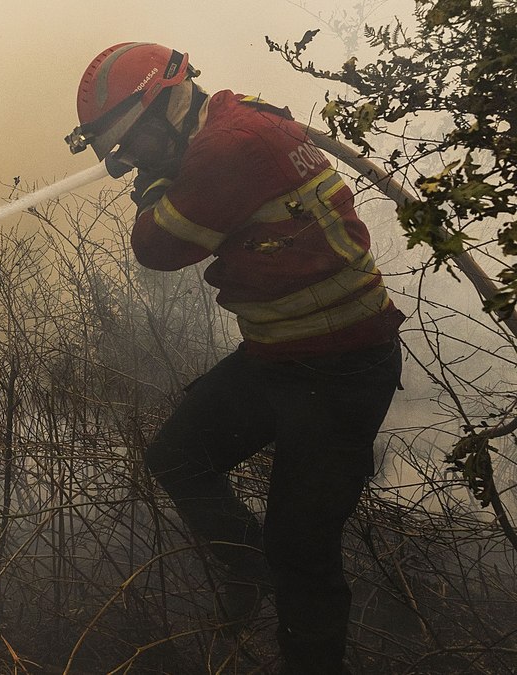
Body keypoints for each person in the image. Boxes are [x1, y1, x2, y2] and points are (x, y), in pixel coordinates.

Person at [65, 42, 405, 673]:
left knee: (301, 552)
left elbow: (158, 249)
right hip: (281, 357)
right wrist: (163, 175)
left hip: (339, 369)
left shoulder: (229, 148)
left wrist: (158, 188)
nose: (128, 160)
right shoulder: (233, 118)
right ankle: (250, 567)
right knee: (178, 457)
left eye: (131, 143)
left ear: (167, 100)